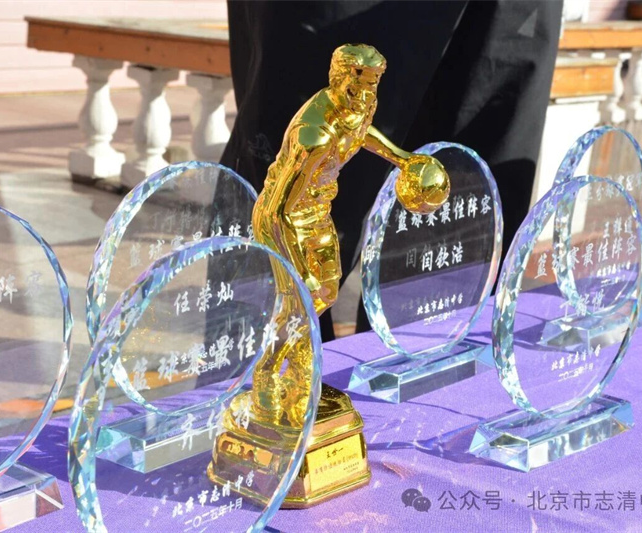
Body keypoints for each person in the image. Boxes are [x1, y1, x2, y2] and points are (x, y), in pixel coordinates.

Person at [220, 0, 563, 341]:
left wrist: (402, 159)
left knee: (470, 226)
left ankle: (426, 357)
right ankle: (273, 366)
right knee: (283, 289)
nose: (363, 97)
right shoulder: (317, 128)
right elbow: (276, 211)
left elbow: (357, 130)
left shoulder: (362, 102)